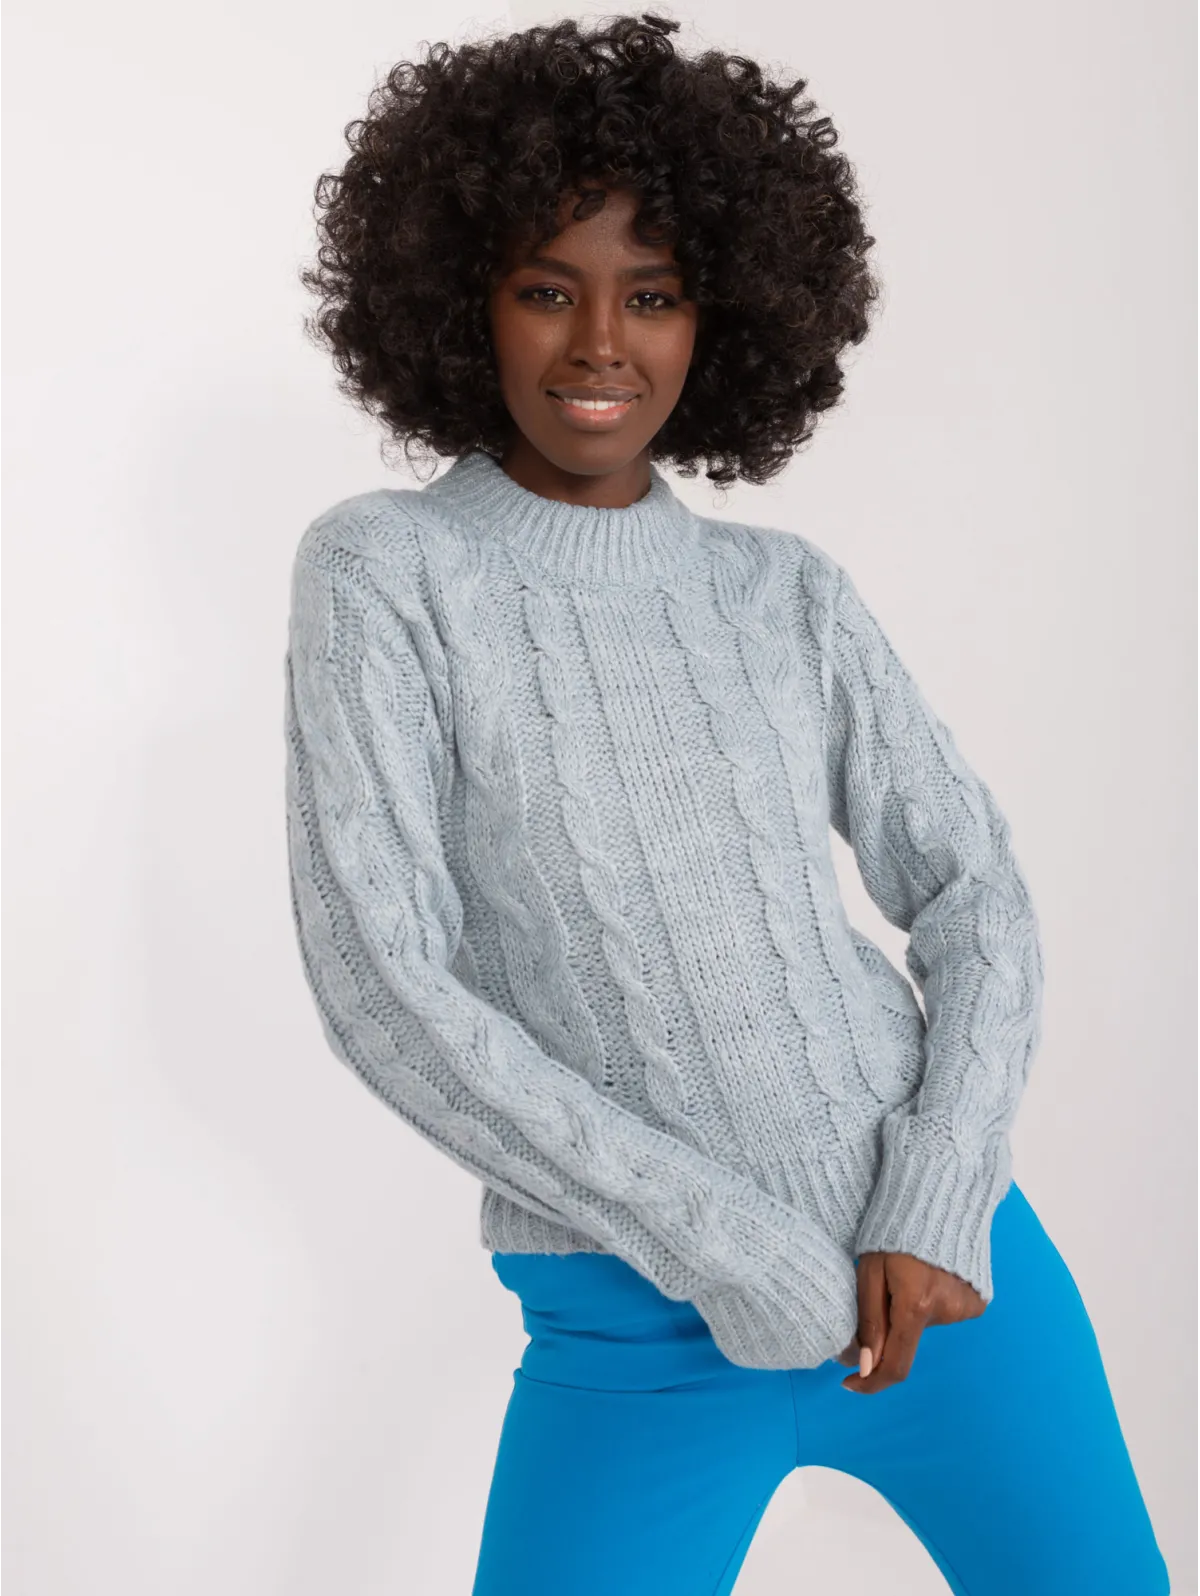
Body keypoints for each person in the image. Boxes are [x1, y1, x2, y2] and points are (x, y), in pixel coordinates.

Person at [285, 13, 1171, 1594]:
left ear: (727, 315)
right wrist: (724, 1246)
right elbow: (381, 982)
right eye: (546, 289)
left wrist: (938, 1192)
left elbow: (973, 890)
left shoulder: (784, 592)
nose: (600, 344)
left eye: (654, 294)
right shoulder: (386, 571)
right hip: (637, 1329)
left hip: (946, 1286)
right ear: (459, 302)